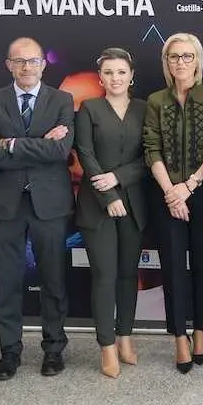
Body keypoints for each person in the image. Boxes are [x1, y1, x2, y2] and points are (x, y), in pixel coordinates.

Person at [0, 36, 75, 380]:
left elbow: (60, 152)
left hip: (50, 202)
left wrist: (13, 144)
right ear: (8, 65)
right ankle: (9, 352)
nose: (27, 67)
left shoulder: (62, 99)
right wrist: (38, 143)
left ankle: (53, 350)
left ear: (43, 65)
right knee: (6, 281)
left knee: (54, 280)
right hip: (6, 204)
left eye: (33, 61)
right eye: (19, 61)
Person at [143, 32, 203, 374]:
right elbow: (152, 148)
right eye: (174, 56)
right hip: (165, 195)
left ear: (198, 61)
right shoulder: (155, 100)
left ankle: (201, 331)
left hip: (202, 192)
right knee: (173, 267)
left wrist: (188, 187)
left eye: (187, 56)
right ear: (166, 62)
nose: (180, 62)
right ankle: (179, 337)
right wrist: (171, 192)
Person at [73, 48, 148, 378]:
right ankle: (106, 348)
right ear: (100, 77)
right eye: (108, 72)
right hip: (97, 207)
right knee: (104, 276)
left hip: (134, 205)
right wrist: (108, 195)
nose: (115, 78)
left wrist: (118, 178)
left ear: (131, 75)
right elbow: (86, 155)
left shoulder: (145, 109)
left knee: (128, 275)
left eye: (121, 72)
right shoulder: (88, 109)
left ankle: (125, 339)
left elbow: (150, 156)